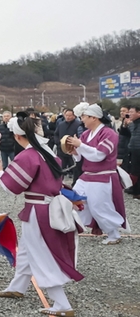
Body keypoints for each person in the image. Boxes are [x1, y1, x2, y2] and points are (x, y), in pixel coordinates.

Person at [0, 114, 83, 317]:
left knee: (41, 254)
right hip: (48, 207)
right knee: (26, 250)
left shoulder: (27, 156)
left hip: (38, 212)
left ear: (17, 135)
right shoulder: (48, 153)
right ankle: (18, 286)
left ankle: (62, 304)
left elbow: (11, 186)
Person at [67, 103, 128, 244]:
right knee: (73, 200)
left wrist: (80, 145)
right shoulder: (86, 134)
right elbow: (80, 157)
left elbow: (99, 155)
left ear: (94, 117)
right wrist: (75, 151)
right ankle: (72, 227)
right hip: (87, 174)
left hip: (103, 176)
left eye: (84, 116)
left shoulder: (109, 134)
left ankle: (114, 234)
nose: (82, 119)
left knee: (99, 205)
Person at [54, 109, 81, 174]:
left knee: (75, 169)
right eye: (66, 115)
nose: (68, 117)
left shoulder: (78, 124)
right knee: (60, 168)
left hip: (73, 150)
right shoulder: (61, 125)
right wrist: (58, 142)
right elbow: (56, 134)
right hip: (61, 150)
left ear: (74, 116)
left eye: (70, 115)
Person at [126, 106, 140, 199]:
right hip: (133, 149)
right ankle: (135, 189)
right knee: (134, 170)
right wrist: (124, 125)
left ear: (138, 113)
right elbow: (125, 134)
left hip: (138, 149)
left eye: (131, 112)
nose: (129, 114)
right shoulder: (132, 124)